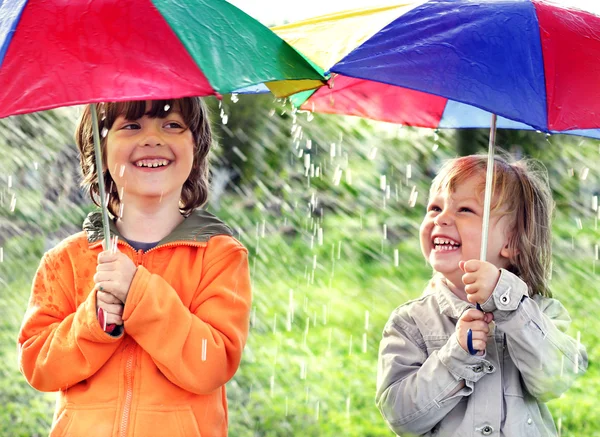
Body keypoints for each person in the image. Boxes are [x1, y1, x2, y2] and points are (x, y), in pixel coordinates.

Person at [17, 98, 252, 437]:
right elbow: (39, 365)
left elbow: (211, 364)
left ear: (196, 146)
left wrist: (139, 295)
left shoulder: (218, 256)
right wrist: (94, 322)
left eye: (172, 125)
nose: (152, 138)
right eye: (131, 126)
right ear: (100, 148)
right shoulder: (65, 261)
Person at [376, 154, 587, 437]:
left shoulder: (540, 312)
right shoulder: (411, 323)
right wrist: (457, 357)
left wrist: (509, 305)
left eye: (464, 210)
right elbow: (401, 417)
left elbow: (556, 378)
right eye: (435, 207)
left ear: (511, 242)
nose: (442, 219)